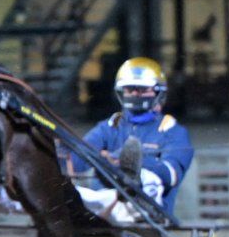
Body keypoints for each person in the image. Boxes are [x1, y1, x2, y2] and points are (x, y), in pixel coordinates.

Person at [72, 57, 194, 223]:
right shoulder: (109, 126)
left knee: (149, 177)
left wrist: (128, 161)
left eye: (142, 89)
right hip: (102, 204)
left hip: (148, 210)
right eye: (130, 89)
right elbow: (78, 158)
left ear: (158, 92)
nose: (136, 94)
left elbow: (171, 174)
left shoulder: (172, 130)